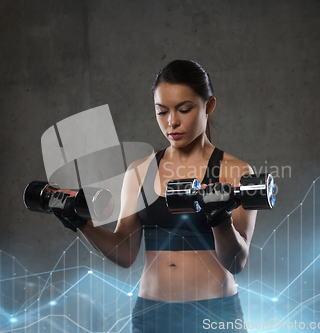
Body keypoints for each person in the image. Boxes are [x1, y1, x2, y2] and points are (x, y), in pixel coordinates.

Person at [50, 60, 257, 333]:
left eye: (184, 109)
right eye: (162, 112)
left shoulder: (235, 171)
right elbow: (124, 253)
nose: (172, 121)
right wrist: (80, 223)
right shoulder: (140, 171)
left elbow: (236, 263)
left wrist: (220, 217)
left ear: (209, 106)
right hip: (153, 316)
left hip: (215, 315)